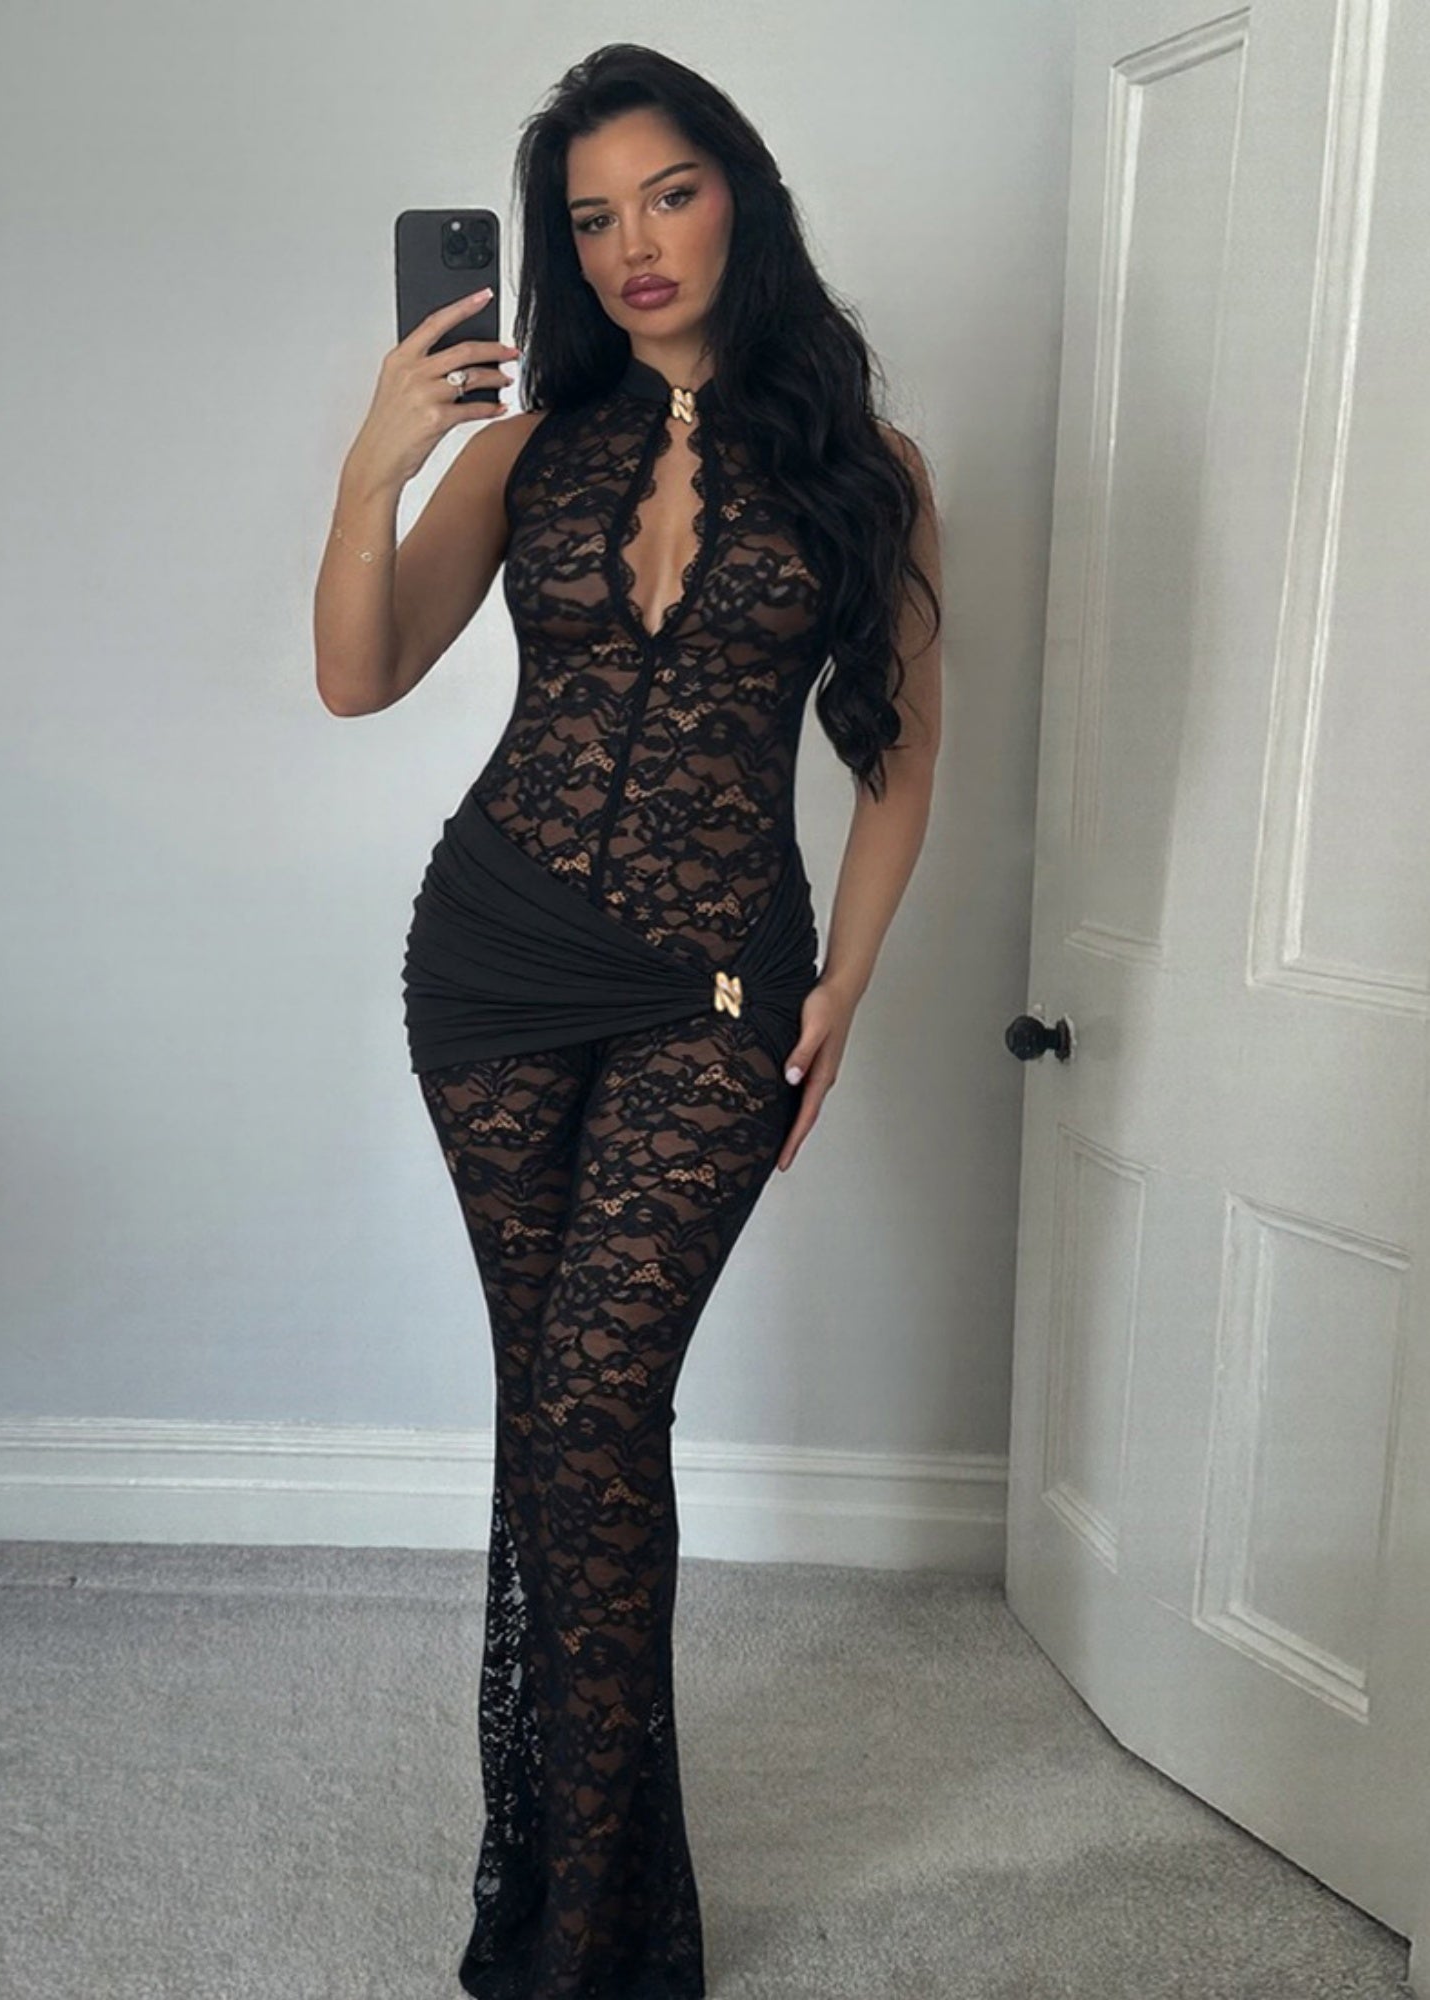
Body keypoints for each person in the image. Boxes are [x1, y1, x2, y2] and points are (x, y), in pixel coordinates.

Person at [313, 41, 941, 2000]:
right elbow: (358, 676)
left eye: (667, 193)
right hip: (492, 958)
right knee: (556, 1422)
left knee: (595, 1404)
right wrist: (376, 463)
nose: (632, 244)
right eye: (588, 218)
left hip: (717, 978)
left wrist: (846, 983)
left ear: (740, 193)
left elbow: (899, 752)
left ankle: (588, 1925)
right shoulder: (522, 455)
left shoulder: (864, 468)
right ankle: (588, 1902)